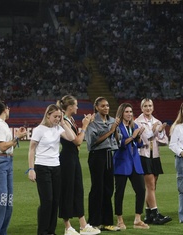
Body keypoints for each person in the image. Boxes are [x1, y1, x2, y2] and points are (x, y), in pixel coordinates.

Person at [28, 104, 76, 235]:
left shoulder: (58, 128)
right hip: (42, 167)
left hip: (56, 167)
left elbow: (72, 138)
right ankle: (42, 231)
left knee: (55, 200)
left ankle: (51, 231)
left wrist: (63, 123)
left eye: (59, 117)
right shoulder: (39, 129)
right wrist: (31, 169)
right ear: (47, 114)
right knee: (47, 200)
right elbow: (32, 149)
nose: (57, 119)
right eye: (55, 116)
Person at [57, 95, 101, 235]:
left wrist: (86, 124)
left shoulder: (69, 120)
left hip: (73, 158)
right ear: (70, 107)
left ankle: (83, 225)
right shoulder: (62, 121)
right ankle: (68, 227)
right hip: (66, 159)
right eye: (76, 105)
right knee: (67, 191)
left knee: (78, 190)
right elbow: (77, 141)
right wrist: (85, 125)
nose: (77, 107)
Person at [0, 101, 27, 235]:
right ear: (5, 110)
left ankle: (1, 232)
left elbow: (8, 147)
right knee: (2, 199)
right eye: (8, 108)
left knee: (7, 200)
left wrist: (16, 139)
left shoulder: (3, 125)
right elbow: (3, 146)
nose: (9, 110)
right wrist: (17, 138)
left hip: (6, 161)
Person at [84, 97, 120, 231]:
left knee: (108, 189)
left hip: (108, 155)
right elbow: (92, 142)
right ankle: (94, 222)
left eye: (107, 106)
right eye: (103, 106)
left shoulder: (111, 121)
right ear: (97, 107)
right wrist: (110, 130)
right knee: (97, 189)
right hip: (97, 156)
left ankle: (107, 222)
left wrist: (115, 129)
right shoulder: (92, 122)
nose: (106, 108)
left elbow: (118, 139)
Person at [134, 98, 172, 225]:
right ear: (141, 108)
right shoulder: (137, 122)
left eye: (150, 106)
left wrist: (160, 131)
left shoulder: (157, 121)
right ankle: (155, 214)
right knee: (150, 185)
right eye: (145, 106)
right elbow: (144, 140)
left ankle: (148, 214)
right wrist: (155, 130)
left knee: (152, 186)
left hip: (154, 156)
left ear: (153, 107)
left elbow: (164, 141)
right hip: (143, 155)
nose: (148, 108)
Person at [113, 103, 150, 230]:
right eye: (126, 112)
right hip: (122, 163)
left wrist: (138, 137)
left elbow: (139, 145)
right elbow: (120, 144)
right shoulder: (117, 127)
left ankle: (137, 219)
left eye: (130, 111)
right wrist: (133, 136)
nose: (129, 114)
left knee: (141, 190)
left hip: (135, 163)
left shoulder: (135, 125)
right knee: (120, 193)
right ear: (121, 113)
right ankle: (119, 220)